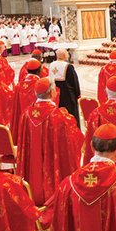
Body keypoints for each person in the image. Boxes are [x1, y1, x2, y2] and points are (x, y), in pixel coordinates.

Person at [16, 78, 83, 211]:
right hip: (53, 172)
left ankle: (31, 192)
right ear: (53, 92)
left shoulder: (26, 115)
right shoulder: (61, 117)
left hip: (31, 176)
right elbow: (76, 141)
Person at [50, 48, 82, 125]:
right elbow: (74, 81)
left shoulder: (51, 65)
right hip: (68, 95)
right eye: (67, 53)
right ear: (64, 55)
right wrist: (78, 94)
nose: (68, 55)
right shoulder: (68, 66)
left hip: (55, 94)